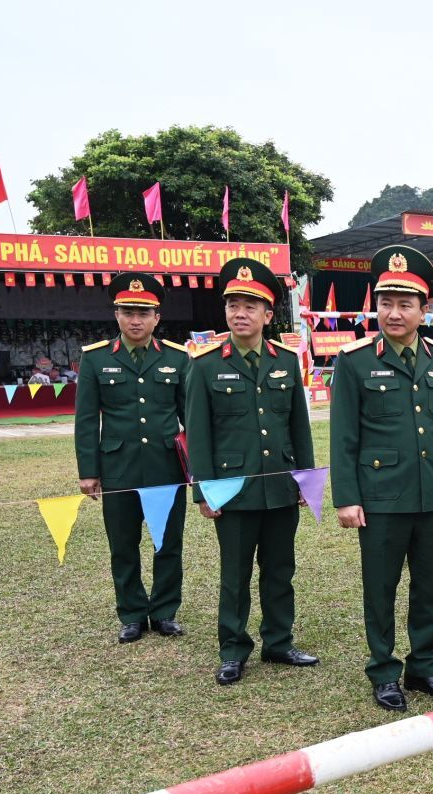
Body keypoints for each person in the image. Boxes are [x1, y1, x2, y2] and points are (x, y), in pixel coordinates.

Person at [331, 245, 433, 712]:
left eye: (405, 304)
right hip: (380, 497)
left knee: (432, 586)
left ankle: (424, 667)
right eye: (386, 303)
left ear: (423, 310)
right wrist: (346, 498)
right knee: (381, 588)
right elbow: (344, 437)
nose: (394, 313)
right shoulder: (355, 360)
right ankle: (383, 671)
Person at [185, 257, 318, 686]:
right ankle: (233, 649)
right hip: (232, 490)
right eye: (233, 305)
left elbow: (298, 426)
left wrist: (305, 480)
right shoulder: (205, 364)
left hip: (279, 485)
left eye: (250, 306)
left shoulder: (285, 360)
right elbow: (198, 435)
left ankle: (279, 642)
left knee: (280, 570)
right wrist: (204, 492)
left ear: (267, 313)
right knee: (235, 575)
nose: (240, 313)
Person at [73, 272, 190, 643]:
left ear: (157, 317)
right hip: (118, 467)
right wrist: (88, 471)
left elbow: (190, 417)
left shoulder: (177, 358)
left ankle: (165, 611)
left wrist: (198, 467)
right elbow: (86, 419)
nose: (135, 320)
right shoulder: (95, 359)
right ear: (116, 315)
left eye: (143, 313)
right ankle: (132, 614)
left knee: (167, 543)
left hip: (166, 466)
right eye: (128, 312)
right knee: (123, 545)